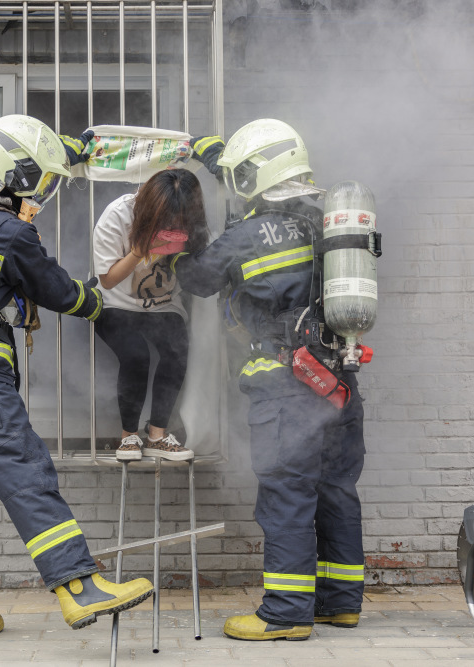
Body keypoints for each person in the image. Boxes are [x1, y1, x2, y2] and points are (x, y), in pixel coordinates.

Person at [0, 114, 153, 644]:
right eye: (38, 178)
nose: (41, 190)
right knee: (24, 468)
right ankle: (80, 587)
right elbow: (56, 290)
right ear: (17, 172)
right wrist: (96, 303)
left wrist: (70, 149)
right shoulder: (6, 229)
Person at [175, 120, 367, 641]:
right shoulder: (328, 219)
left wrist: (177, 245)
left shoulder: (249, 234)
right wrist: (212, 153)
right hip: (339, 380)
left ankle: (284, 614)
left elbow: (197, 279)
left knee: (286, 496)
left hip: (287, 389)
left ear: (257, 174)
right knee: (335, 491)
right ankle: (340, 603)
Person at [91, 169, 209, 461]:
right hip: (115, 302)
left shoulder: (191, 224)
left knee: (177, 350)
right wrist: (140, 251)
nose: (172, 224)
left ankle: (157, 435)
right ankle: (128, 436)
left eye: (179, 219)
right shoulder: (118, 215)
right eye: (166, 218)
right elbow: (106, 280)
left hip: (164, 303)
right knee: (136, 355)